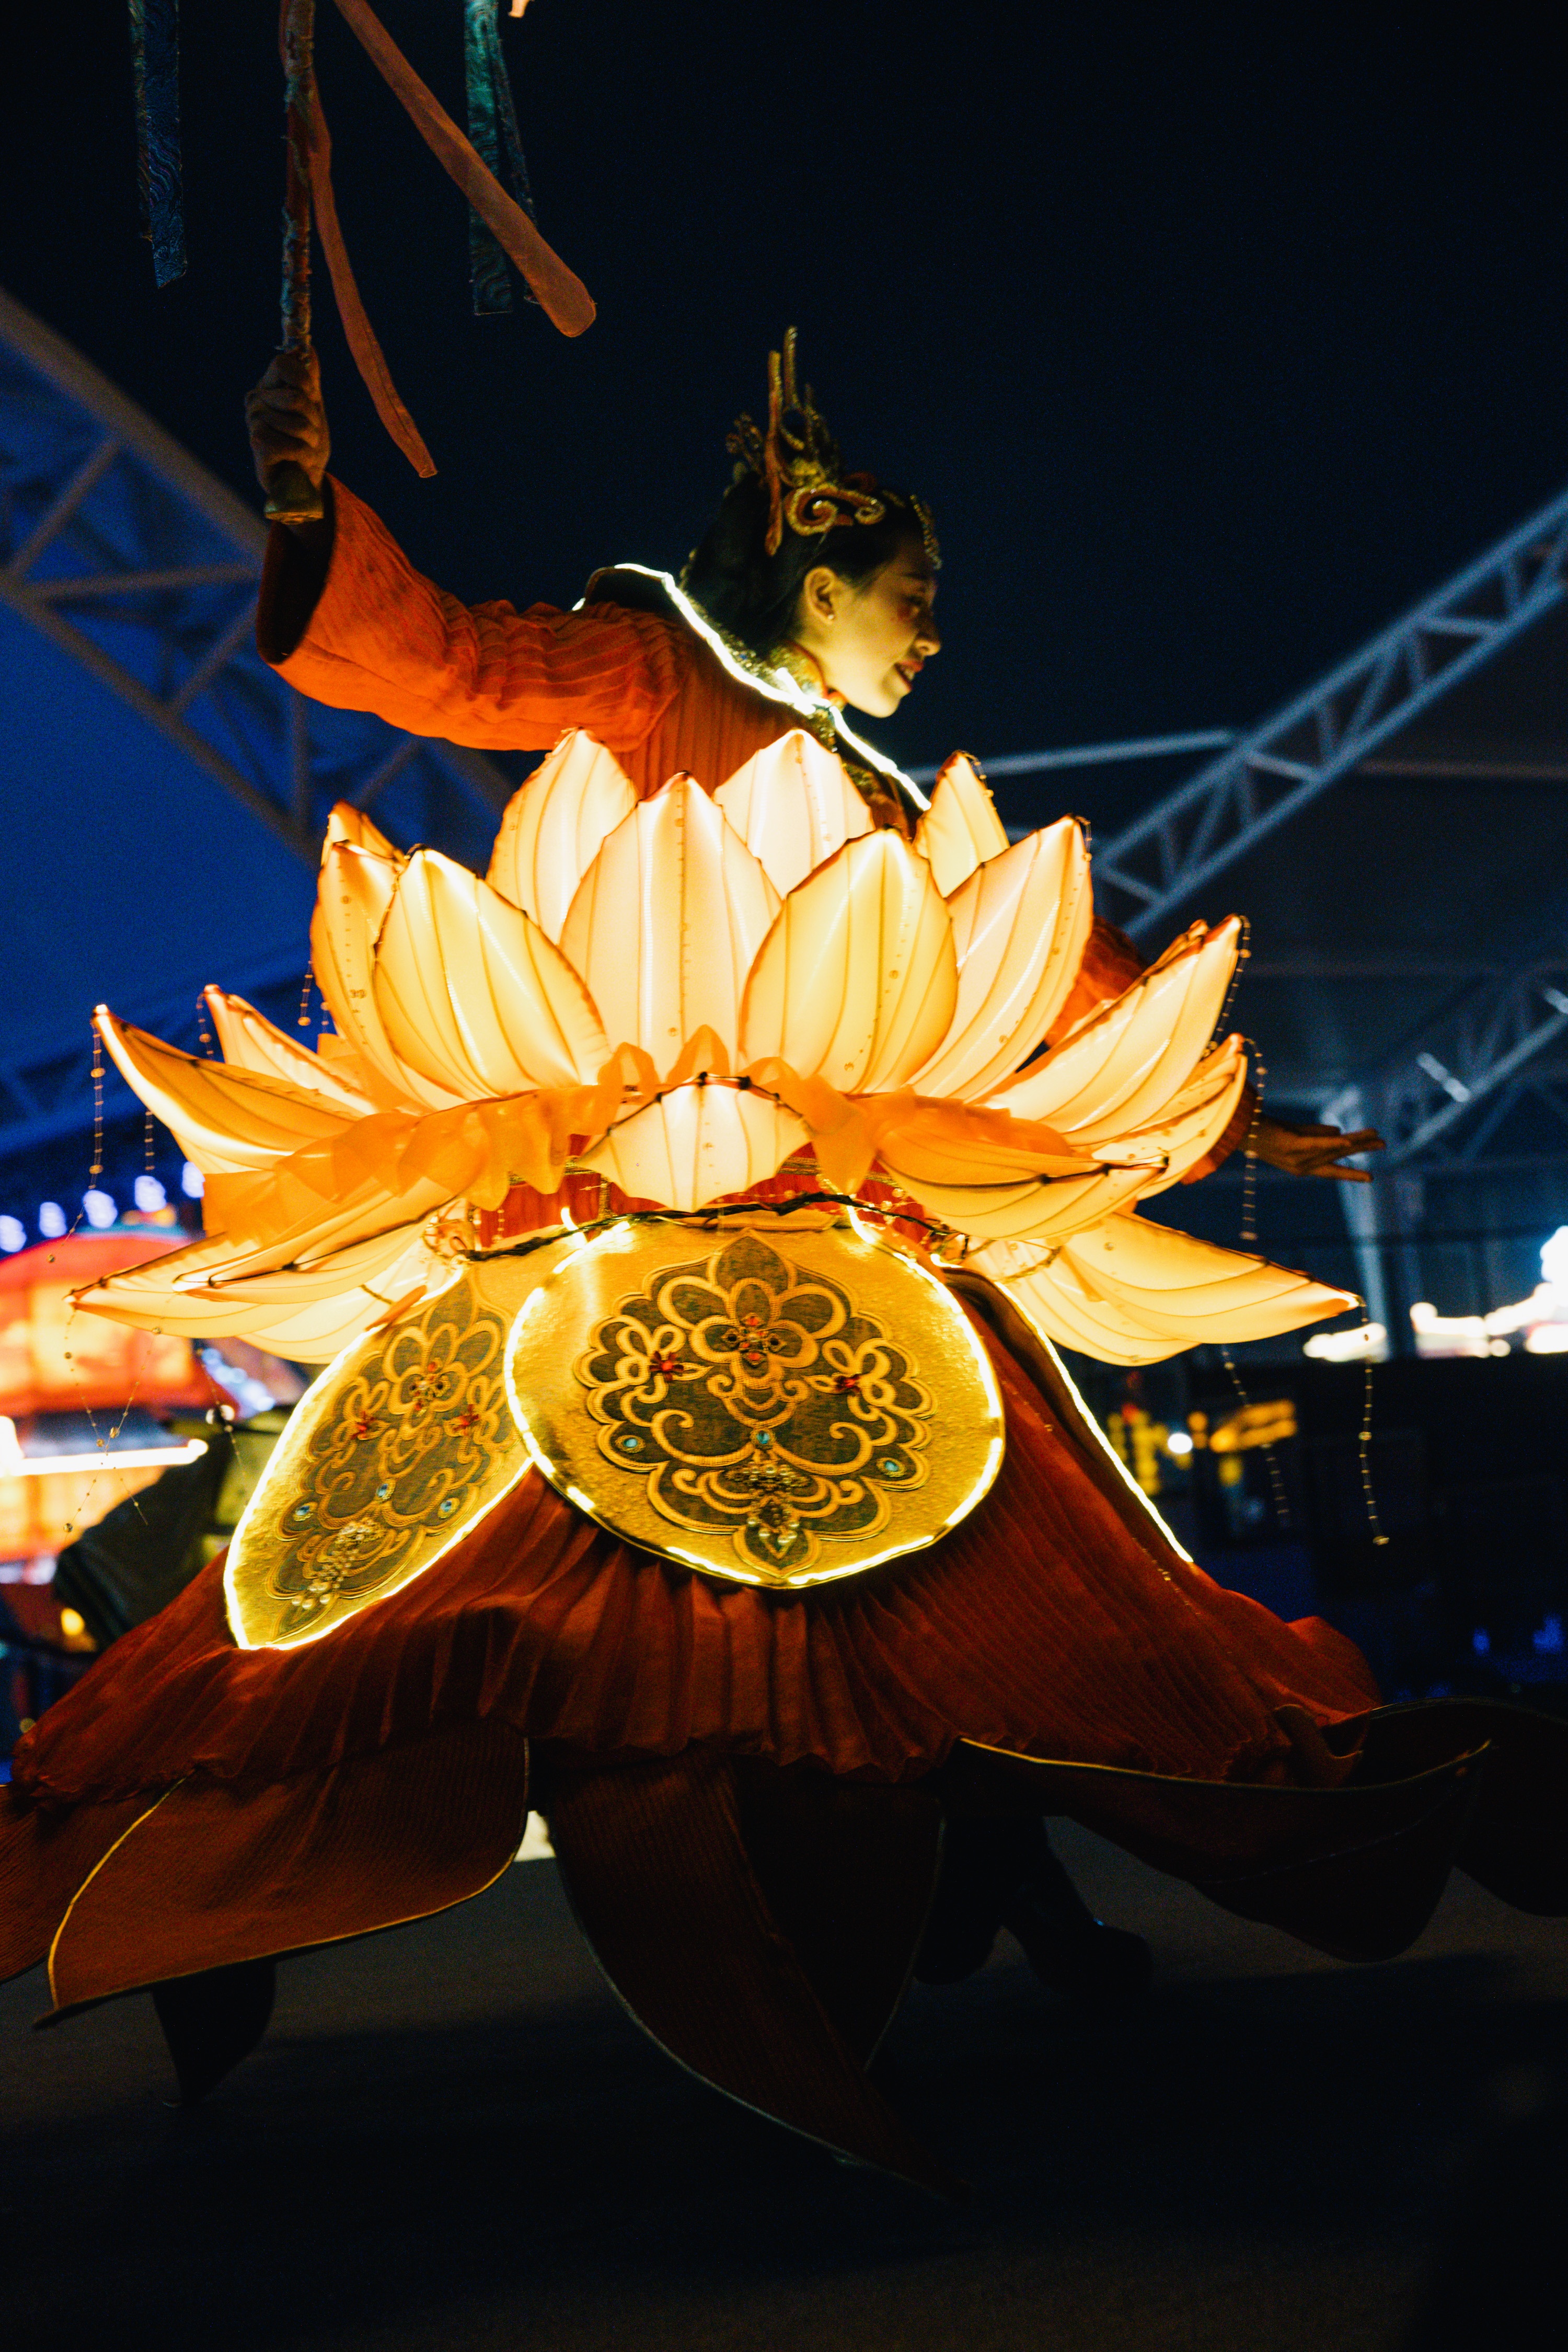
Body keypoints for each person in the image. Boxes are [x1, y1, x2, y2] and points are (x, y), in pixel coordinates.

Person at [1, 338, 1560, 2195]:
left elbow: (1066, 970)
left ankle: (982, 1905)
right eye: (913, 595)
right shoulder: (651, 669)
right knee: (586, 1635)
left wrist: (1230, 1098)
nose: (930, 635)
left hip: (841, 1252)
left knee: (996, 1613)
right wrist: (300, 507)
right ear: (818, 585)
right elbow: (460, 666)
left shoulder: (875, 791)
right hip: (617, 1245)